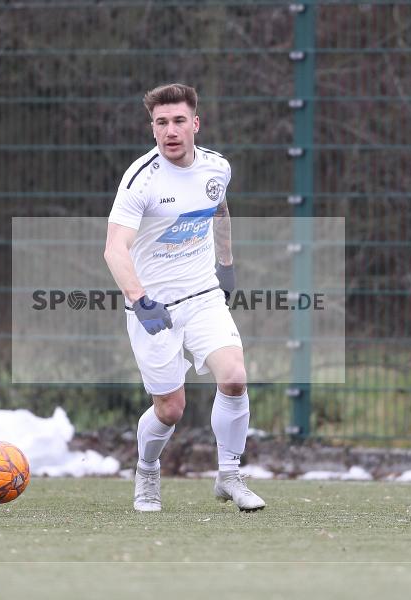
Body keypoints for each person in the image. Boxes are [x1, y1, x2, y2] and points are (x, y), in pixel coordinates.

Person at [104, 83, 265, 513]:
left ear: (195, 124)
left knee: (234, 376)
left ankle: (229, 475)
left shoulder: (217, 168)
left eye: (178, 121)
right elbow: (115, 249)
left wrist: (226, 265)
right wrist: (140, 301)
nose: (170, 131)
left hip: (203, 295)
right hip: (154, 307)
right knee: (171, 409)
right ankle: (147, 472)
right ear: (152, 128)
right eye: (161, 123)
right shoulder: (141, 179)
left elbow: (220, 210)